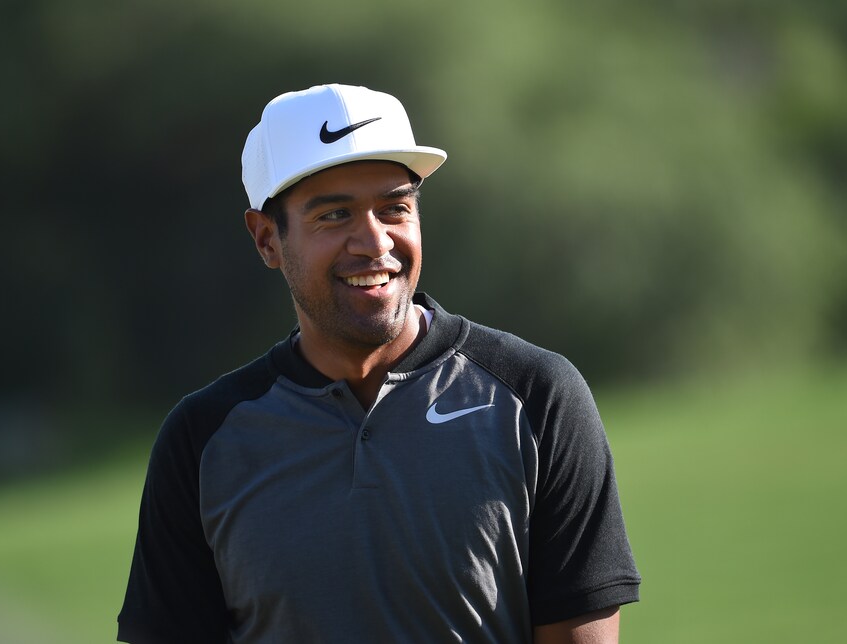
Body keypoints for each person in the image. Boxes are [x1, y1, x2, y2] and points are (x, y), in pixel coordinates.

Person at [118, 83, 640, 643]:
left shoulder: (537, 397)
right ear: (266, 238)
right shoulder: (202, 441)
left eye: (395, 208)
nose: (374, 242)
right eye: (334, 214)